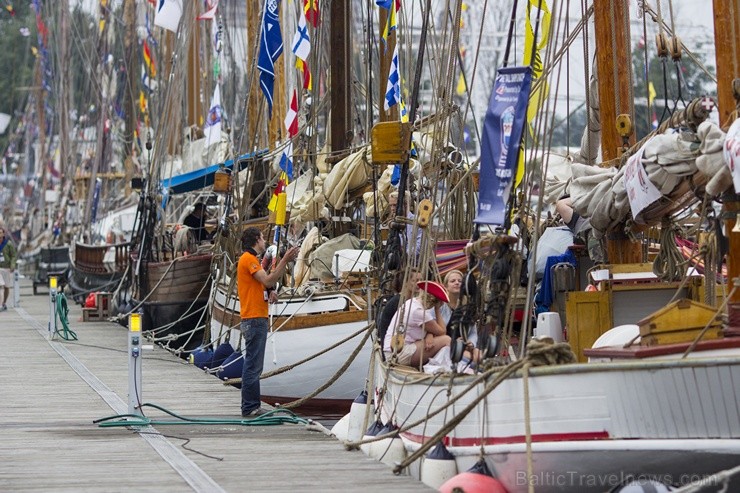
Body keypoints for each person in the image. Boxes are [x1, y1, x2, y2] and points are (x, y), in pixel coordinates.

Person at [237, 227, 299, 417]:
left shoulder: (251, 260)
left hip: (256, 316)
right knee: (253, 366)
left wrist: (269, 292)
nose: (265, 241)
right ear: (256, 240)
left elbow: (262, 283)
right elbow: (269, 277)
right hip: (254, 318)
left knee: (254, 365)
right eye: (263, 238)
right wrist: (285, 260)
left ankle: (251, 405)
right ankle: (250, 407)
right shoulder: (248, 259)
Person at [383, 280, 451, 367]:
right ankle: (443, 367)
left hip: (392, 351)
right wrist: (437, 309)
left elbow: (428, 327)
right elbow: (442, 331)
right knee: (446, 339)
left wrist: (429, 334)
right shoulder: (419, 312)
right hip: (398, 355)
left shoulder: (411, 302)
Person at [376, 268, 421, 355]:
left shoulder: (412, 301)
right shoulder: (397, 303)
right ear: (405, 282)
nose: (419, 283)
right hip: (393, 349)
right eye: (415, 280)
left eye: (421, 280)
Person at [0, 227, 17, 311]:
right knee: (0, 285)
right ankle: (0, 304)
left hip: (6, 268)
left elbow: (13, 255)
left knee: (6, 287)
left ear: (3, 234)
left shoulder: (8, 244)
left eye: (0, 233)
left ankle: (4, 303)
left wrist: (12, 265)